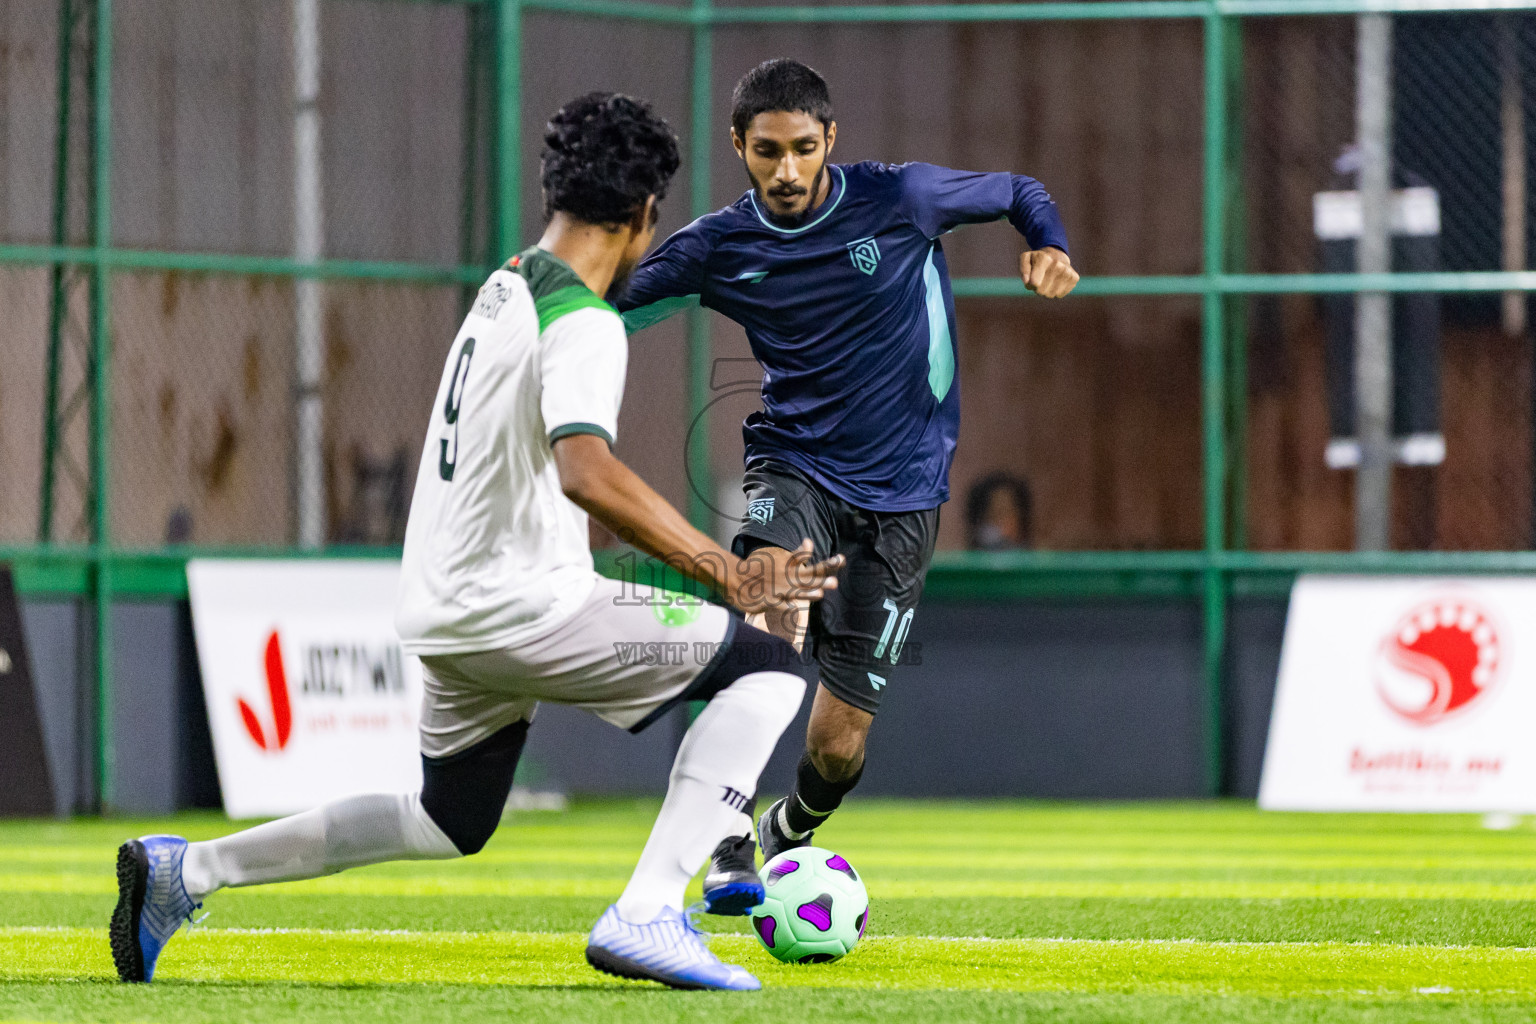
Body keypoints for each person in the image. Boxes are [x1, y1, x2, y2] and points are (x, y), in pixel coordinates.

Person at [109, 92, 842, 994]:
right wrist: (726, 572)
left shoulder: (505, 284)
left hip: (444, 610)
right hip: (523, 606)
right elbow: (587, 472)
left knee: (448, 817)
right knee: (765, 667)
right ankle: (649, 910)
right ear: (646, 213)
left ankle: (186, 874)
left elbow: (552, 474)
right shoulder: (585, 320)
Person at [617, 59, 1078, 885]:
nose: (786, 170)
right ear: (739, 147)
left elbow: (1020, 190)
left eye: (802, 148)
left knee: (836, 747)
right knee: (767, 617)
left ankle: (783, 831)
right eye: (766, 152)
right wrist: (536, 297)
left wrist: (1050, 245)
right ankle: (719, 847)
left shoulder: (900, 200)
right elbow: (606, 302)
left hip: (906, 497)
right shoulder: (720, 245)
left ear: (831, 138)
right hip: (793, 463)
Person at [966, 472, 1034, 550]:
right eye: (993, 514)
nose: (1000, 522)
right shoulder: (967, 559)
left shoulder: (1036, 558)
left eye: (1005, 512)